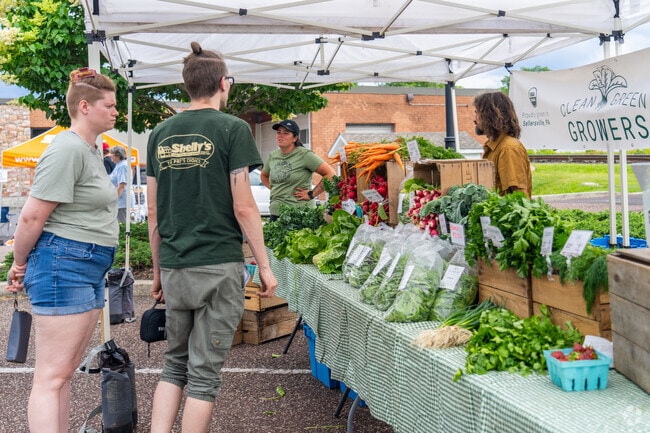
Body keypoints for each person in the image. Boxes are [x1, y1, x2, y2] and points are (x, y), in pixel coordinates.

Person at [146, 41, 278, 433]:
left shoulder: (159, 133)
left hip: (174, 264)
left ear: (187, 86)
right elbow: (244, 206)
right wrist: (266, 266)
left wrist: (157, 271)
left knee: (174, 363)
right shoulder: (233, 129)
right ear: (224, 83)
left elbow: (153, 212)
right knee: (204, 375)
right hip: (218, 265)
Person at [6, 67, 119, 433]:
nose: (117, 112)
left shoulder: (88, 149)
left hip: (83, 264)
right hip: (64, 262)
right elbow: (32, 217)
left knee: (64, 374)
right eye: (110, 105)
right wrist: (19, 264)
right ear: (84, 107)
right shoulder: (67, 148)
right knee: (52, 376)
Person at [260, 119, 336, 221]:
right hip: (276, 213)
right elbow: (264, 175)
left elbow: (331, 174)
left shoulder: (305, 155)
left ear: (295, 138)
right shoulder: (273, 155)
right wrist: (275, 188)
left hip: (300, 214)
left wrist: (311, 194)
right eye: (278, 132)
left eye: (286, 133)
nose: (280, 135)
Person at [473, 91, 532, 198]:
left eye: (478, 113)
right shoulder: (493, 147)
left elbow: (520, 197)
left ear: (490, 116)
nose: (475, 119)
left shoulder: (508, 148)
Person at [109, 145, 129, 223]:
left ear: (117, 155)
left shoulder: (122, 166)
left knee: (122, 223)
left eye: (112, 154)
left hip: (122, 200)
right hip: (121, 200)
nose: (110, 156)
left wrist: (115, 199)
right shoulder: (119, 165)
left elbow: (122, 185)